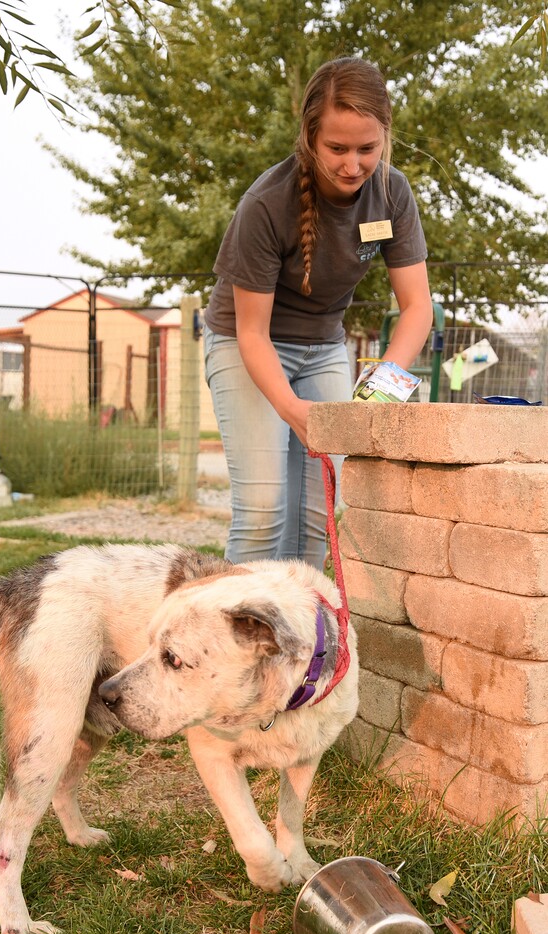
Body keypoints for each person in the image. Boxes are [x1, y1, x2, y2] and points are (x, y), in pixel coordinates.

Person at [203, 56, 433, 569]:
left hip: (324, 349)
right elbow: (251, 332)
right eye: (337, 148)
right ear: (309, 138)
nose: (352, 165)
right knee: (264, 510)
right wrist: (291, 409)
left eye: (366, 149)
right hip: (248, 347)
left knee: (322, 510)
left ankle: (301, 642)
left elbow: (417, 307)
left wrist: (379, 389)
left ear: (384, 138)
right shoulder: (266, 204)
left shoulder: (392, 194)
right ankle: (231, 643)